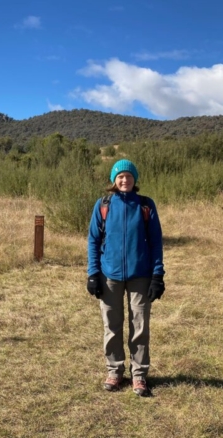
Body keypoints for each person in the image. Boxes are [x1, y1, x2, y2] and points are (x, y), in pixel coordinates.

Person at [86, 159, 165, 397]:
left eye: (129, 176)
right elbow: (93, 241)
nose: (124, 180)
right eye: (120, 176)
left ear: (135, 179)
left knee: (139, 326)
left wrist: (157, 275)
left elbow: (156, 242)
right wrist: (93, 274)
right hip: (109, 276)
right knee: (111, 325)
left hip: (140, 275)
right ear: (114, 179)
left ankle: (139, 375)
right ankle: (115, 371)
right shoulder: (103, 205)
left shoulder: (145, 205)